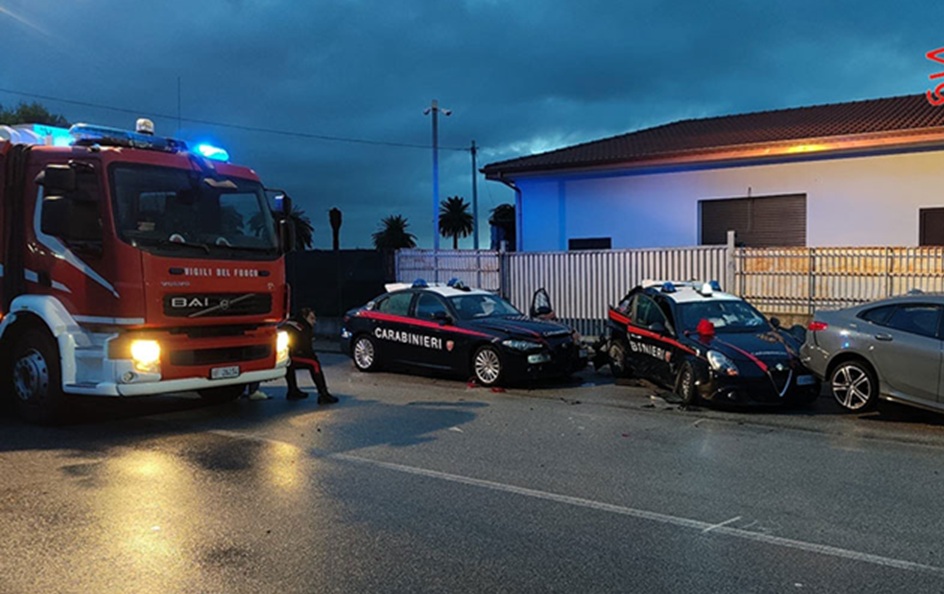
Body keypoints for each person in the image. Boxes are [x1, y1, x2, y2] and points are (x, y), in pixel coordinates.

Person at [282, 307, 338, 404]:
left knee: (290, 366)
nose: (314, 322)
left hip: (282, 356)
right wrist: (312, 357)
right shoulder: (304, 328)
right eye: (312, 318)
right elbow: (306, 348)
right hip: (290, 355)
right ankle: (323, 394)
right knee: (314, 364)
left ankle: (293, 390)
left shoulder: (289, 323)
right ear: (304, 317)